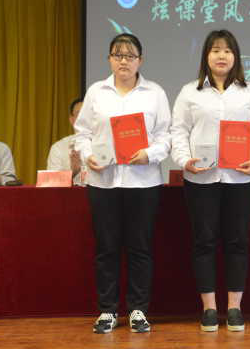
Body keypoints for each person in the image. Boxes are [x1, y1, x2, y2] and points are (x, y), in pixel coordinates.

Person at [171, 29, 250, 332]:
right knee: (203, 242)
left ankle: (235, 308)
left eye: (227, 50)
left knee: (237, 241)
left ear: (236, 56)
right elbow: (178, 131)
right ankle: (210, 309)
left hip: (240, 178)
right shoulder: (190, 92)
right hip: (200, 178)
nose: (221, 56)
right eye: (215, 50)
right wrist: (183, 160)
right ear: (206, 56)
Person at [73, 33, 171, 335]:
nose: (123, 61)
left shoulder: (154, 93)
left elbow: (165, 136)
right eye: (117, 55)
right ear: (109, 60)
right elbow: (82, 133)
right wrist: (88, 156)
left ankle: (138, 310)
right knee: (107, 248)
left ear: (140, 60)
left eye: (130, 56)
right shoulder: (96, 92)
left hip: (143, 182)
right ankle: (108, 310)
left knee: (140, 248)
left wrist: (150, 154)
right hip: (104, 182)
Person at [46, 97, 84, 184]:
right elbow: (51, 184)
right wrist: (73, 172)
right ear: (72, 120)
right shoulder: (58, 148)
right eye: (80, 114)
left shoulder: (107, 145)